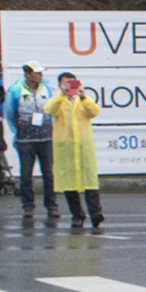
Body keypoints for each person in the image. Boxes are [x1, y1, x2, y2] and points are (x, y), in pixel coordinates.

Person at [44, 73, 104, 226]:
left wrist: (83, 97)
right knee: (68, 184)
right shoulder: (58, 101)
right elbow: (49, 110)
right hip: (65, 147)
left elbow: (94, 112)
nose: (69, 86)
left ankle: (96, 212)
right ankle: (77, 214)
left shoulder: (83, 100)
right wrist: (62, 95)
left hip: (83, 146)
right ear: (59, 85)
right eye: (65, 83)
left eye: (71, 83)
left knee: (90, 181)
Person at [7, 62, 59, 225]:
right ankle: (28, 205)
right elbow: (9, 113)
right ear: (27, 74)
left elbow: (52, 110)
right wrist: (20, 129)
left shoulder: (47, 88)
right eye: (37, 73)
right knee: (26, 174)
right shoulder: (15, 90)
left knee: (49, 174)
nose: (40, 76)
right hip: (26, 139)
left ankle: (51, 205)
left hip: (45, 138)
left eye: (41, 73)